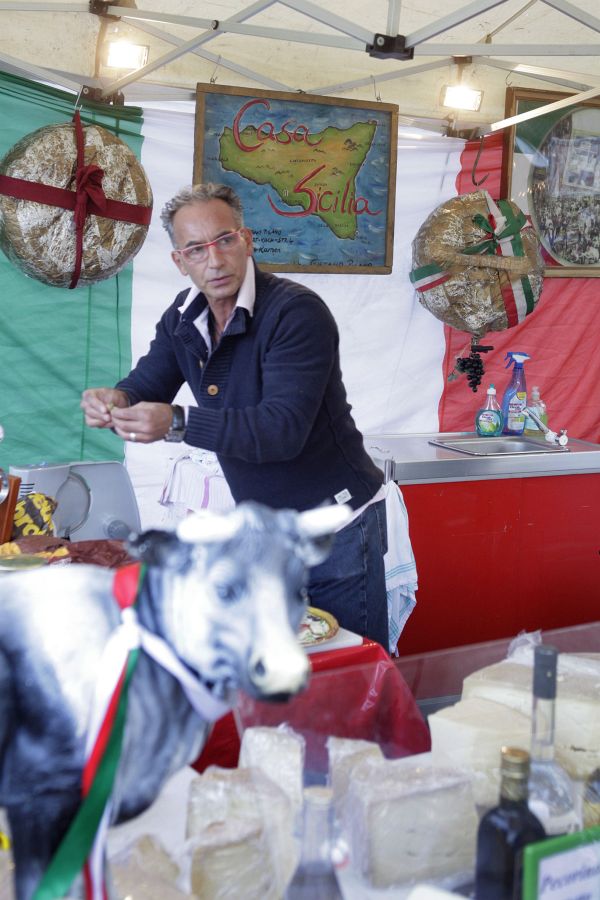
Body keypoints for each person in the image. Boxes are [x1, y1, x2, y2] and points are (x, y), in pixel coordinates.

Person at [81, 183, 388, 647]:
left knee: (348, 665)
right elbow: (147, 383)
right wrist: (117, 399)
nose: (215, 260)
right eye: (196, 249)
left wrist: (177, 422)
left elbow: (281, 430)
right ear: (179, 261)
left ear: (247, 240)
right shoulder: (183, 317)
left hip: (337, 525)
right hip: (267, 528)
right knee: (281, 661)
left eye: (224, 240)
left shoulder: (296, 313)